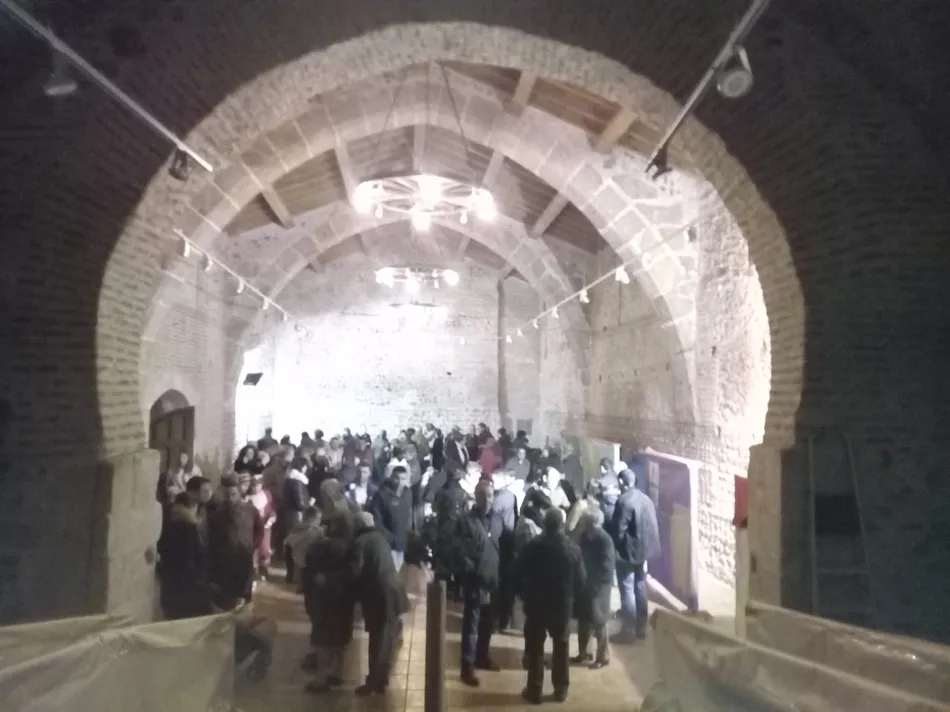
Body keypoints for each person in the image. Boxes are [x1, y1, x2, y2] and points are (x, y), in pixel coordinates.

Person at [516, 507, 586, 705]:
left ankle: (534, 690)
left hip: (536, 604)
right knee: (561, 646)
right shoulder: (572, 549)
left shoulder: (533, 546)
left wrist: (523, 594)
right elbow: (581, 579)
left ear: (545, 524)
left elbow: (518, 571)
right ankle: (560, 689)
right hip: (561, 606)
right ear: (562, 525)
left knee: (535, 647)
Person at [351, 511, 410, 696]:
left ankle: (372, 683)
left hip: (380, 597)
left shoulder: (361, 542)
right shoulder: (380, 537)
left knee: (377, 641)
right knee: (388, 640)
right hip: (394, 593)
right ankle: (382, 680)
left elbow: (355, 571)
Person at [453, 480, 501, 687]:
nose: (487, 500)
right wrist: (474, 570)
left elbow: (501, 545)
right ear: (476, 497)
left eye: (490, 495)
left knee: (487, 624)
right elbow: (461, 550)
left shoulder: (497, 520)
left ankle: (482, 657)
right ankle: (467, 666)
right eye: (483, 496)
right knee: (471, 626)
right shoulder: (467, 521)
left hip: (493, 580)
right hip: (475, 581)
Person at [303, 511, 356, 693]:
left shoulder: (322, 547)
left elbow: (308, 567)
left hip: (324, 599)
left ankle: (321, 678)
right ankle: (338, 673)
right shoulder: (352, 546)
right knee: (341, 639)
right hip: (345, 599)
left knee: (323, 640)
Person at [610, 468, 661, 641]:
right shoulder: (646, 499)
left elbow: (618, 530)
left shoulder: (624, 501)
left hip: (628, 552)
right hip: (644, 551)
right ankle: (641, 627)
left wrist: (615, 548)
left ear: (622, 482)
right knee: (640, 587)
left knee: (627, 588)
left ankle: (628, 631)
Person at [158, 478, 213, 620]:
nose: (209, 493)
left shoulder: (202, 510)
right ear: (192, 493)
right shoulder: (177, 513)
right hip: (181, 570)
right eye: (205, 490)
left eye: (210, 490)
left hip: (199, 568)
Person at [206, 476, 263, 609]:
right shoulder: (217, 515)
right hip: (225, 561)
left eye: (233, 494)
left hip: (244, 557)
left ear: (239, 494)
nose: (230, 498)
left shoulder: (251, 510)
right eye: (228, 495)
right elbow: (211, 537)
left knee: (244, 595)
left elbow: (259, 530)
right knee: (226, 596)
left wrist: (252, 546)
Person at [573, 508, 615, 669]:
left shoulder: (604, 539)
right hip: (585, 585)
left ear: (592, 521)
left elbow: (607, 567)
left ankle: (603, 657)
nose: (582, 521)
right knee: (584, 620)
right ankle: (584, 653)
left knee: (599, 621)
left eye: (584, 519)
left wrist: (597, 586)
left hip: (598, 588)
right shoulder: (585, 536)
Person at [370, 464, 413, 571]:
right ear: (391, 477)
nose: (399, 482)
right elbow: (376, 520)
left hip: (404, 544)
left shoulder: (408, 493)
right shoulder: (381, 495)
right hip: (388, 544)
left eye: (403, 479)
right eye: (396, 478)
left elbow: (410, 515)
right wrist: (390, 538)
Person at [491, 470, 519, 631]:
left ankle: (500, 619)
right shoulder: (509, 496)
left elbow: (492, 510)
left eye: (495, 480)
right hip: (506, 542)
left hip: (502, 543)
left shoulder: (503, 497)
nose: (492, 483)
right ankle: (504, 619)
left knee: (501, 585)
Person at [278, 456, 311, 583]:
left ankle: (290, 573)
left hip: (288, 515)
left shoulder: (289, 479)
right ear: (302, 467)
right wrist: (309, 505)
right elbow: (300, 503)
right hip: (296, 516)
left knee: (290, 543)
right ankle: (294, 575)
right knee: (296, 545)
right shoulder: (297, 481)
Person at [246, 474, 276, 580]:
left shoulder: (266, 495)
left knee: (264, 548)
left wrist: (271, 518)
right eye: (253, 485)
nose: (255, 488)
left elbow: (270, 509)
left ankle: (264, 568)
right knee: (254, 549)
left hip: (265, 526)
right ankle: (254, 570)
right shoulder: (248, 498)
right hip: (253, 527)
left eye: (258, 485)